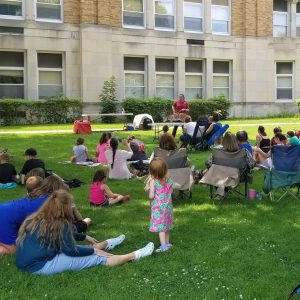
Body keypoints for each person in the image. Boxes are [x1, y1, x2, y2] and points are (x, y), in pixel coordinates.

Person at [16, 189, 154, 275]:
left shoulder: (38, 217)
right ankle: (135, 255)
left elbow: (63, 236)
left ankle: (106, 243)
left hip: (29, 261)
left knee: (86, 250)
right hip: (40, 265)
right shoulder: (60, 222)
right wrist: (94, 251)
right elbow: (71, 251)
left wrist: (84, 236)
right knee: (98, 258)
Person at [0, 175, 66, 256]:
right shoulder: (49, 201)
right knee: (13, 251)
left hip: (5, 211)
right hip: (5, 217)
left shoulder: (38, 194)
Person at [145, 158, 173, 253]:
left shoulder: (153, 181)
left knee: (161, 228)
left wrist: (149, 188)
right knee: (166, 226)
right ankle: (167, 243)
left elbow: (151, 196)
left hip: (158, 209)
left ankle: (163, 246)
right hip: (168, 207)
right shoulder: (169, 180)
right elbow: (171, 191)